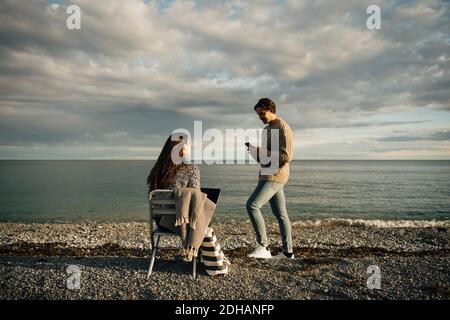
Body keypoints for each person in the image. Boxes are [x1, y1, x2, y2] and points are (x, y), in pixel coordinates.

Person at [246, 98, 295, 259]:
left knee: (252, 205)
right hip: (267, 174)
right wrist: (255, 152)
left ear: (271, 109)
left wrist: (262, 152)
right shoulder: (266, 130)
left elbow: (286, 156)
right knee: (281, 215)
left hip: (276, 175)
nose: (260, 117)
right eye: (258, 114)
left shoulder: (282, 127)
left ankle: (263, 247)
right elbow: (264, 159)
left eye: (262, 113)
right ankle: (288, 253)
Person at [147, 134, 199, 233]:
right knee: (204, 224)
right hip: (180, 223)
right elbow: (196, 198)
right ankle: (196, 247)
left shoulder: (158, 168)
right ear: (181, 149)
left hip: (160, 223)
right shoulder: (191, 169)